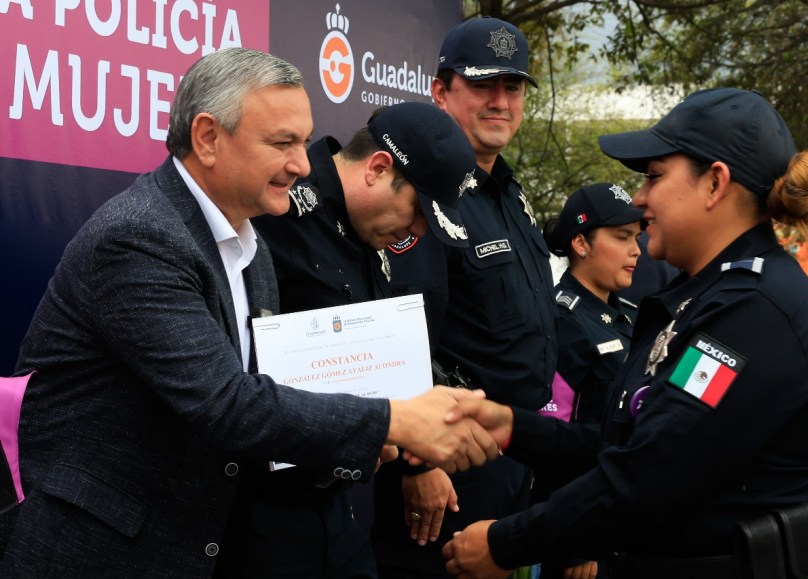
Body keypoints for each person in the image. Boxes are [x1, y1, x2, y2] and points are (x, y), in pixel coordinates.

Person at [0, 47, 501, 578]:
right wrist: (397, 419)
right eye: (282, 143)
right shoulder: (139, 238)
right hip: (98, 553)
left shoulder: (249, 245)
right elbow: (226, 402)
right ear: (209, 138)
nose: (303, 165)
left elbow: (265, 388)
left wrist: (359, 438)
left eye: (303, 143)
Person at [440, 87, 808, 578]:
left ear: (714, 184)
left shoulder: (754, 311)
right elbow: (634, 444)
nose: (639, 199)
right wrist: (514, 427)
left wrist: (506, 544)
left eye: (654, 177)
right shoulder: (710, 295)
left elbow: (650, 474)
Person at [247, 101, 477, 578]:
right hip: (258, 512)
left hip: (336, 502)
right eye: (418, 210)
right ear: (377, 168)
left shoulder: (368, 232)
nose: (416, 231)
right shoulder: (276, 212)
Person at [371, 16, 558, 579]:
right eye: (482, 85)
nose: (500, 100)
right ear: (440, 91)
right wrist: (416, 463)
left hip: (514, 456)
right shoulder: (422, 191)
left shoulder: (509, 193)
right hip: (446, 471)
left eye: (514, 86)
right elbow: (394, 335)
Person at [535, 183, 644, 578]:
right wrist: (575, 538)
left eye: (636, 237)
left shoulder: (630, 314)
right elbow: (552, 443)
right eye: (621, 237)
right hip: (581, 535)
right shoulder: (561, 319)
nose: (636, 249)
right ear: (580, 243)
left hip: (622, 522)